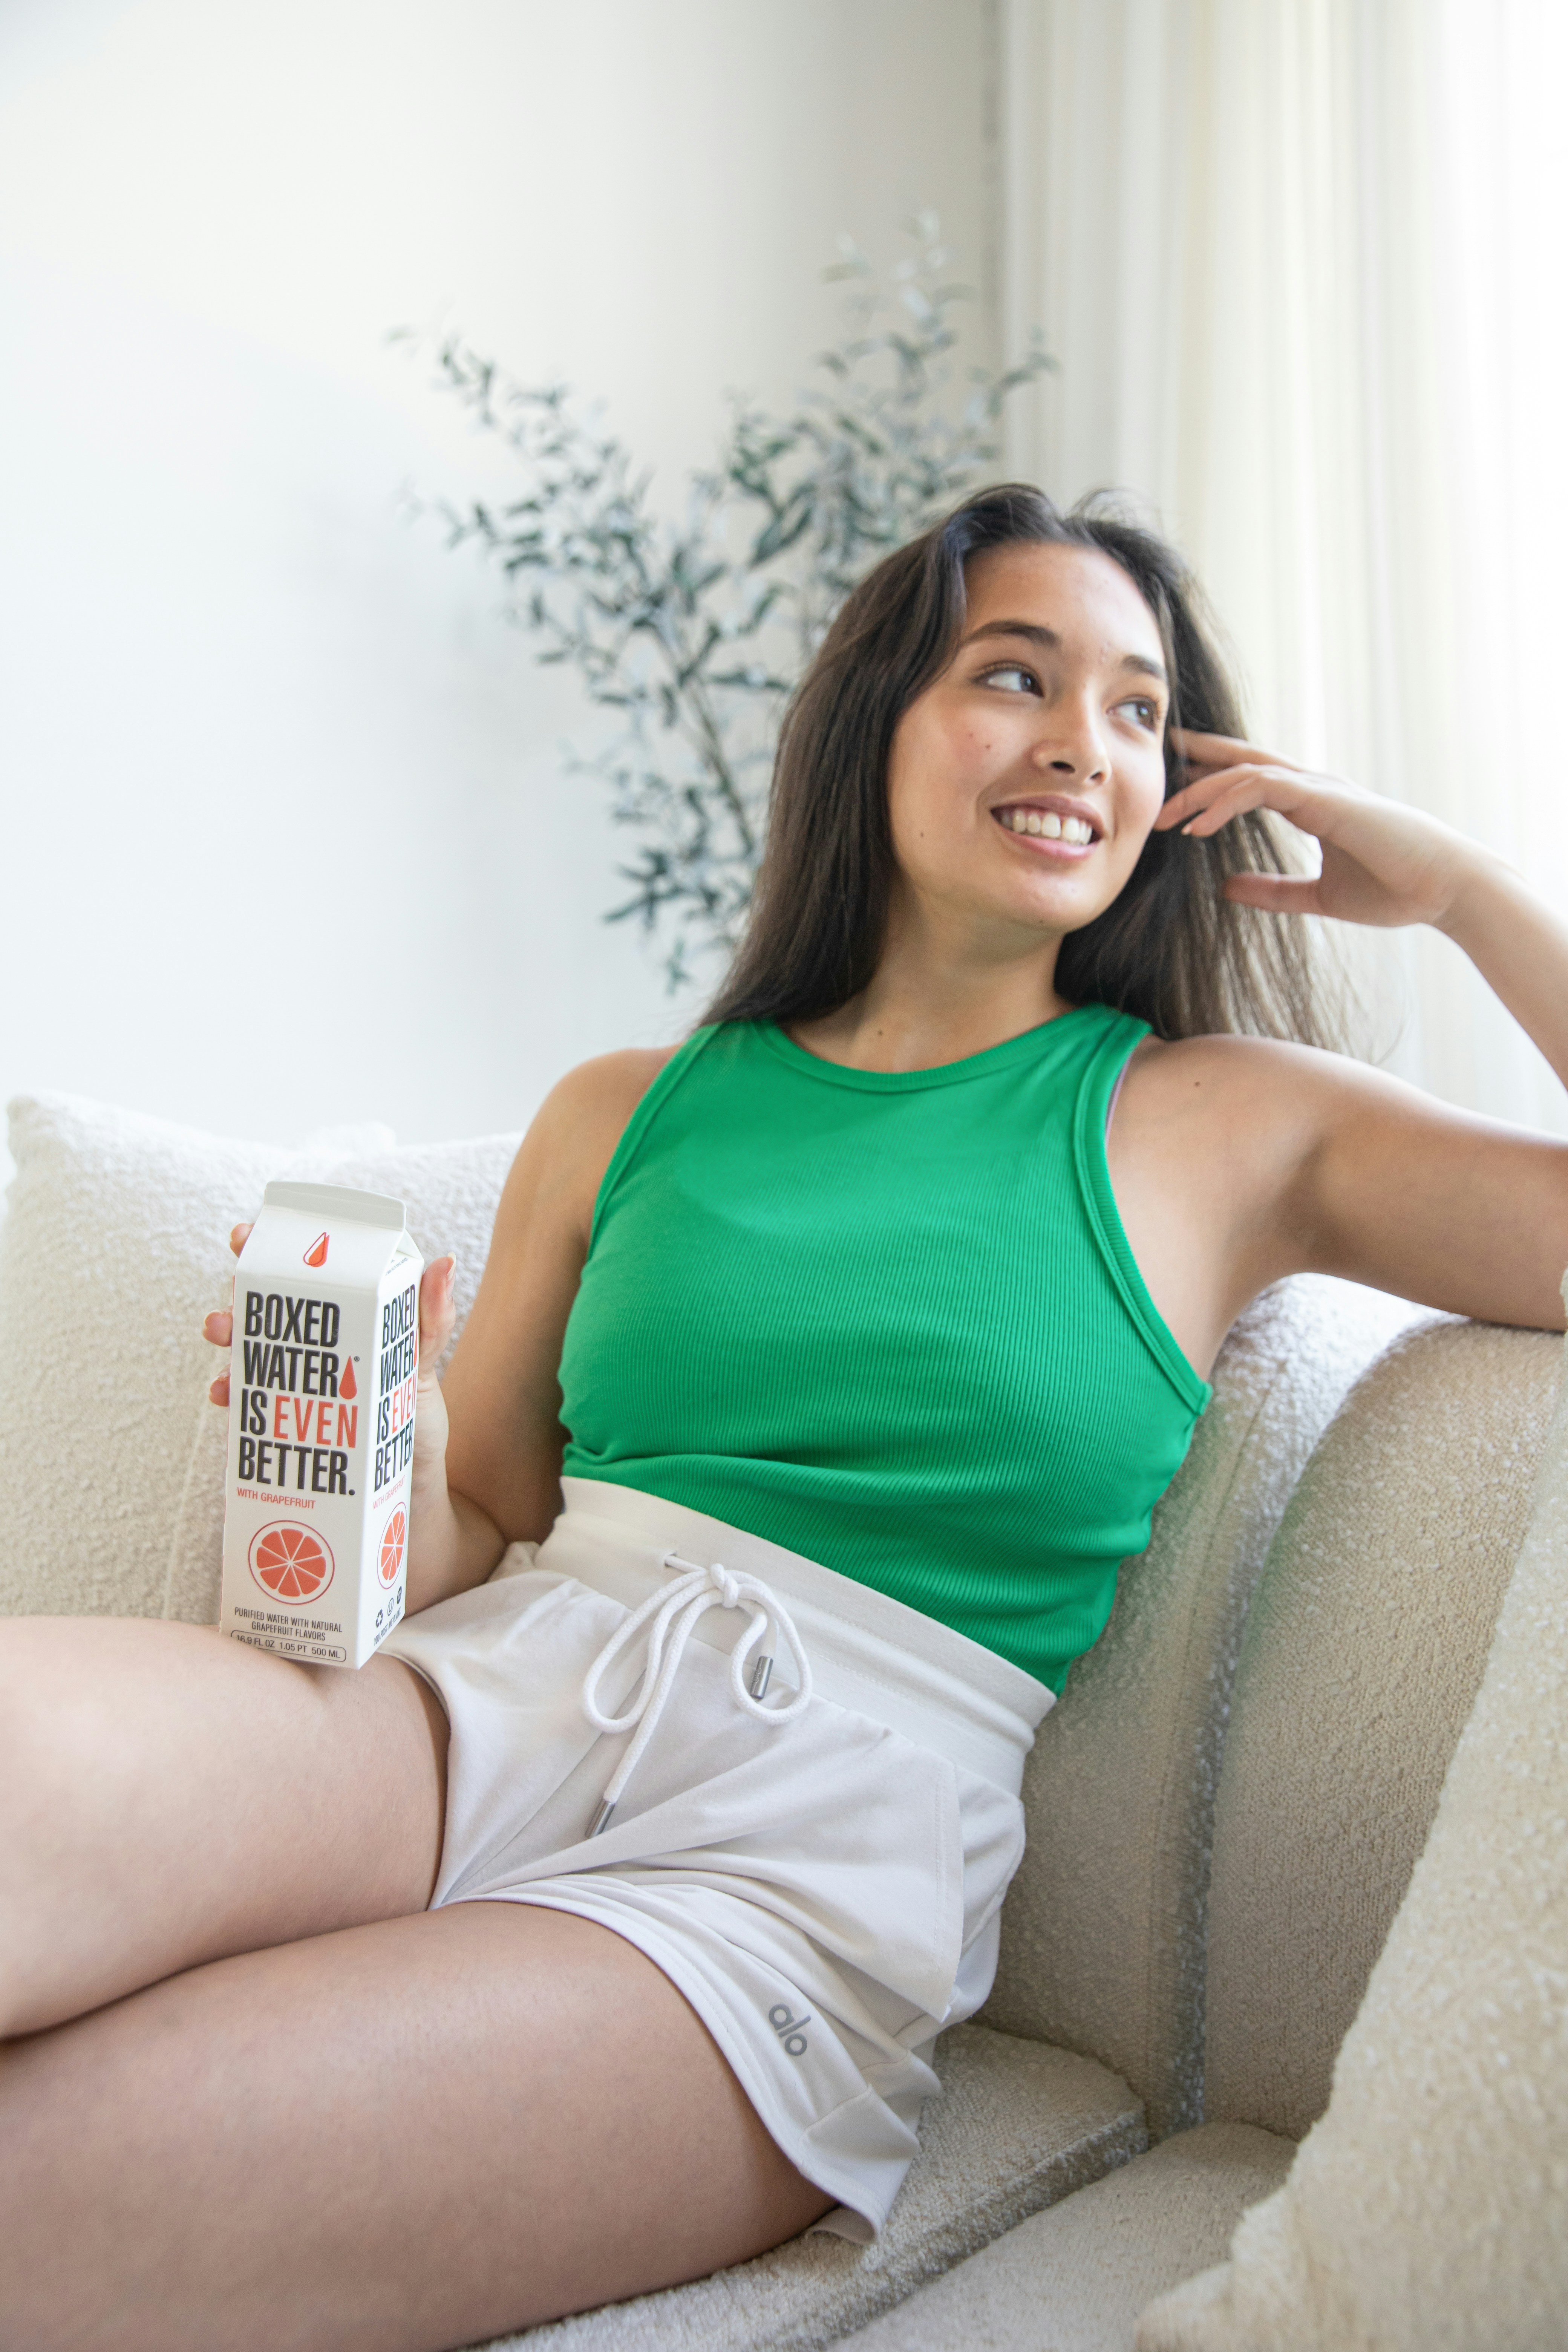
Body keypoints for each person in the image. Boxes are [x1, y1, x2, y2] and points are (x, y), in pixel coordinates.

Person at [4, 484, 1567, 2352]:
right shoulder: (622, 1107)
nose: (1084, 738)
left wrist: (1463, 893)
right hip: (479, 1698)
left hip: (790, 1880)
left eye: (1141, 708)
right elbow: (485, 1517)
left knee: (58, 2180)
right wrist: (376, 1457)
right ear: (873, 722)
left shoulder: (1232, 1124)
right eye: (1016, 674)